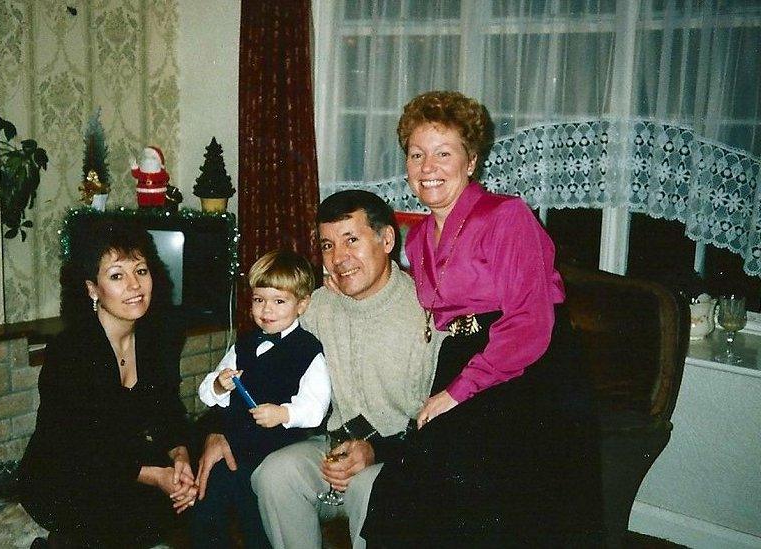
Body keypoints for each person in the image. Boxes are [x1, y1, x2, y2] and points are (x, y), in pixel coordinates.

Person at [361, 90, 602, 546]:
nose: (427, 167)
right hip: (465, 358)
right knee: (407, 479)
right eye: (417, 154)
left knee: (460, 485)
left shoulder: (506, 217)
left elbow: (530, 322)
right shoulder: (415, 241)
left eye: (443, 153)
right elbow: (424, 304)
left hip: (527, 369)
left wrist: (457, 391)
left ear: (471, 162)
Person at [196, 190, 442, 549]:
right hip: (329, 445)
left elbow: (446, 420)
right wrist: (218, 431)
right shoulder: (314, 307)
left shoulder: (429, 309)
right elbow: (251, 364)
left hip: (402, 455)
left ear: (387, 239)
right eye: (327, 246)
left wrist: (379, 452)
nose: (339, 258)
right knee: (275, 474)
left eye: (351, 240)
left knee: (366, 488)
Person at [19, 220, 196, 548]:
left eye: (141, 271)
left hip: (123, 461)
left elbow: (168, 412)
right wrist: (157, 475)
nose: (135, 285)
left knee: (189, 485)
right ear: (91, 289)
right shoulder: (70, 351)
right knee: (110, 513)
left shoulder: (156, 338)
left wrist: (180, 457)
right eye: (117, 275)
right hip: (64, 472)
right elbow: (81, 448)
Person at [192, 249, 331, 549]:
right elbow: (207, 393)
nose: (266, 309)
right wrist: (219, 385)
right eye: (259, 300)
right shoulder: (242, 345)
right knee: (207, 499)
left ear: (302, 304)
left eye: (279, 301)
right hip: (237, 444)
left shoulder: (309, 351)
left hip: (275, 448)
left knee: (256, 515)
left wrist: (284, 414)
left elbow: (316, 407)